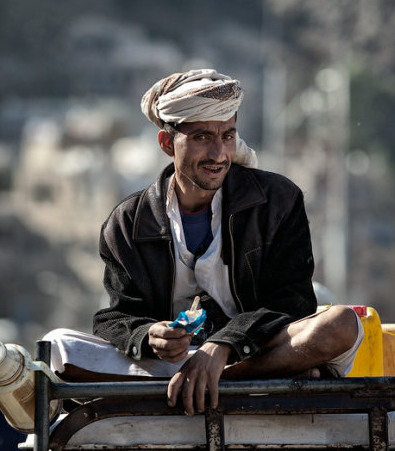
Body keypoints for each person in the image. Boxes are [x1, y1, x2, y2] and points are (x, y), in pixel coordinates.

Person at [51, 68, 364, 417]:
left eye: (228, 136)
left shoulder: (277, 200)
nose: (219, 154)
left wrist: (223, 346)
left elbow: (292, 302)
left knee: (340, 324)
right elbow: (115, 317)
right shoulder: (127, 223)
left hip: (254, 353)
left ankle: (215, 383)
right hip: (169, 367)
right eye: (202, 138)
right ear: (167, 143)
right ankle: (219, 383)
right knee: (56, 346)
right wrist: (149, 335)